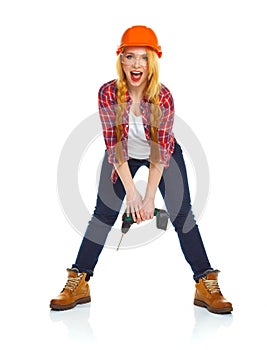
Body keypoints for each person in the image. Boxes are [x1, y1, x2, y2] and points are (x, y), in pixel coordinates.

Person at [50, 25, 232, 314]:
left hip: (161, 155)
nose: (137, 64)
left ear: (153, 62)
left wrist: (149, 198)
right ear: (121, 60)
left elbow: (159, 151)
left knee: (182, 215)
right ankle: (79, 280)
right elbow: (115, 145)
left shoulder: (163, 97)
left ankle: (205, 283)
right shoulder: (108, 93)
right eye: (130, 57)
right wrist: (131, 195)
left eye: (144, 57)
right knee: (103, 215)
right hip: (123, 156)